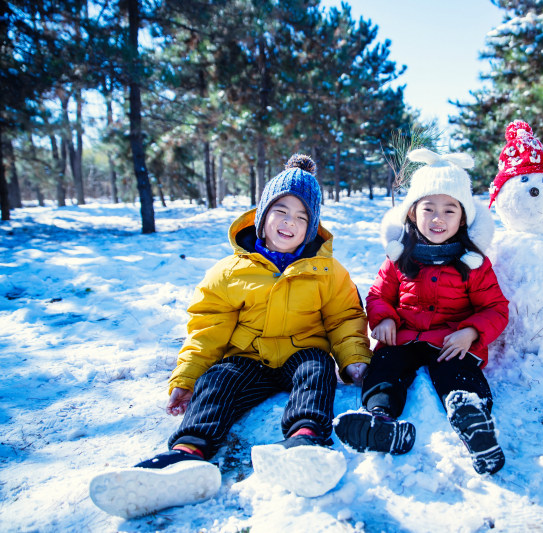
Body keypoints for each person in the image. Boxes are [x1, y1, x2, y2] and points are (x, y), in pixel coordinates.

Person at [90, 154, 371, 518]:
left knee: (317, 369)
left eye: (303, 217)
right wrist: (188, 377)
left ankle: (304, 443)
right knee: (218, 379)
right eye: (282, 212)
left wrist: (353, 361)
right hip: (247, 359)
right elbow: (209, 326)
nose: (290, 223)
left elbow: (344, 318)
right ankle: (187, 454)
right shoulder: (229, 271)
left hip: (302, 352)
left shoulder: (328, 272)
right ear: (261, 215)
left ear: (313, 226)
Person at [334, 148, 509, 475]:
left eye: (449, 210)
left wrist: (471, 332)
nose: (438, 218)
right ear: (413, 213)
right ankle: (380, 420)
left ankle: (472, 417)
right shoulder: (399, 257)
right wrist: (384, 316)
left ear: (463, 217)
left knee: (457, 371)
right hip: (403, 337)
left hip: (449, 339)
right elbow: (377, 294)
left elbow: (495, 307)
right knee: (384, 366)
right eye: (428, 208)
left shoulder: (472, 263)